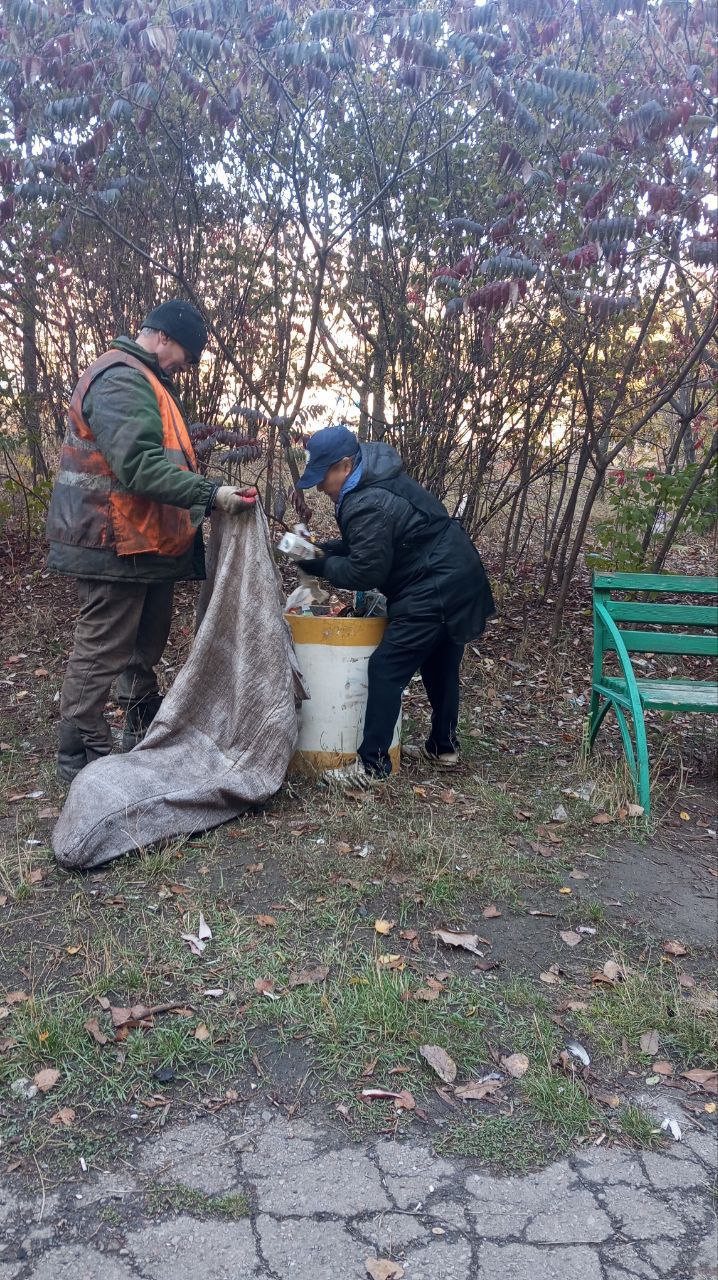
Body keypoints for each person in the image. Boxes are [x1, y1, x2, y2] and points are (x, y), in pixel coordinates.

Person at [46, 299, 256, 783]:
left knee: (144, 642)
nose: (186, 367)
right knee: (104, 647)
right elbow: (139, 466)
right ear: (163, 337)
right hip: (111, 541)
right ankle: (80, 753)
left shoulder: (147, 381)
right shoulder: (121, 378)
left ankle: (138, 724)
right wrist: (211, 493)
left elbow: (163, 462)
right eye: (186, 354)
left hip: (142, 543)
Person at [294, 424, 495, 789]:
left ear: (343, 465)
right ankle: (443, 747)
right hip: (458, 576)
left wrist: (318, 563)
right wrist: (323, 550)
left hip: (432, 586)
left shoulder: (366, 501)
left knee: (386, 668)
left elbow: (366, 569)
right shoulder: (375, 478)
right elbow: (371, 542)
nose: (320, 488)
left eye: (322, 477)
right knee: (440, 664)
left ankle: (371, 768)